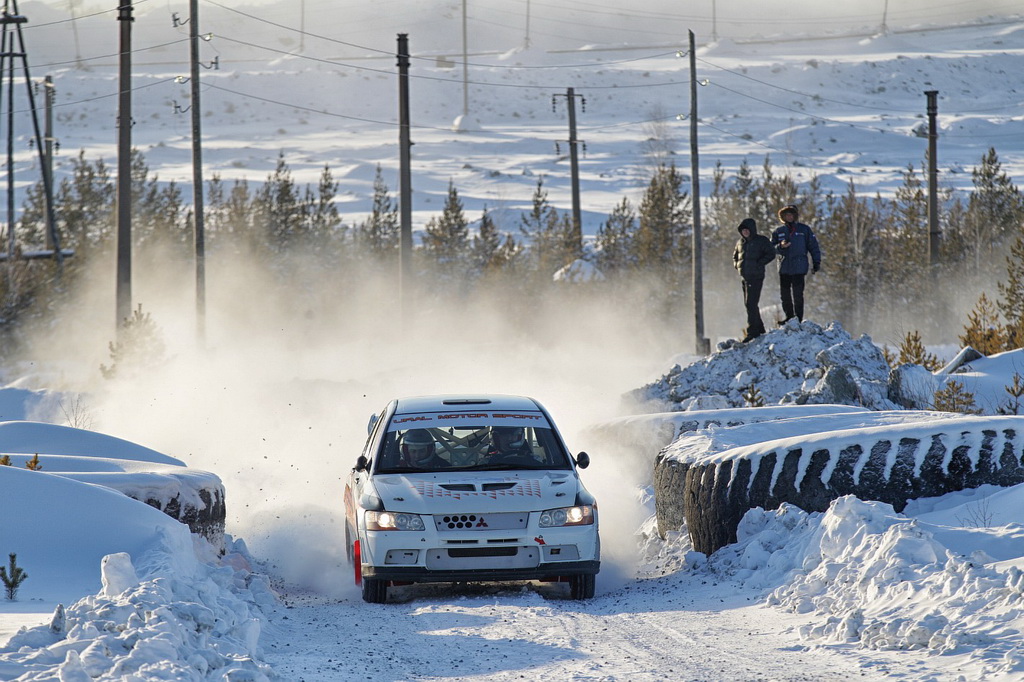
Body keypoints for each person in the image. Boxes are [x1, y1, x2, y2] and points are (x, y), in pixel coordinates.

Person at [770, 204, 821, 323]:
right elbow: (770, 248)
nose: (789, 217)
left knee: (798, 295)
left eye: (791, 214)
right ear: (783, 216)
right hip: (784, 267)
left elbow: (813, 246)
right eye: (787, 215)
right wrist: (781, 246)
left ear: (795, 216)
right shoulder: (778, 231)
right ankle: (789, 317)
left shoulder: (804, 230)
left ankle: (798, 318)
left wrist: (816, 262)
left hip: (799, 267)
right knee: (785, 295)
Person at [732, 217, 776, 342]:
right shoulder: (740, 242)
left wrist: (759, 263)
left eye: (747, 230)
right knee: (749, 304)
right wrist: (737, 266)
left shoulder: (761, 240)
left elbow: (771, 253)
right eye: (743, 230)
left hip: (756, 276)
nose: (745, 232)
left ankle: (752, 331)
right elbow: (735, 256)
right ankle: (759, 329)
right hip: (745, 277)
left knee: (751, 303)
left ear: (752, 230)